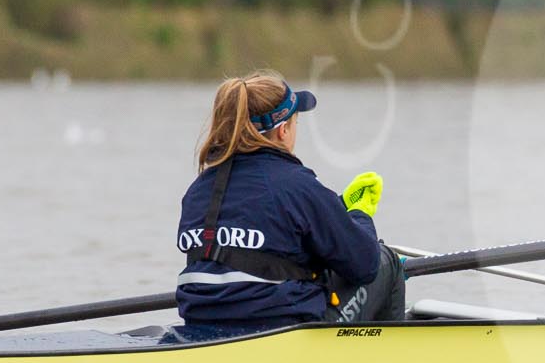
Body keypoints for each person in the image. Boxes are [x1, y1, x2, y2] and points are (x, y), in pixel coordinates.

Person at [170, 72, 401, 341]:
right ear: (283, 130)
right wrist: (358, 215)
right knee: (387, 262)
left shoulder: (198, 191)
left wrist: (335, 208)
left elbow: (266, 239)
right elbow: (365, 265)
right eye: (295, 122)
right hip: (279, 331)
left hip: (205, 328)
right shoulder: (297, 185)